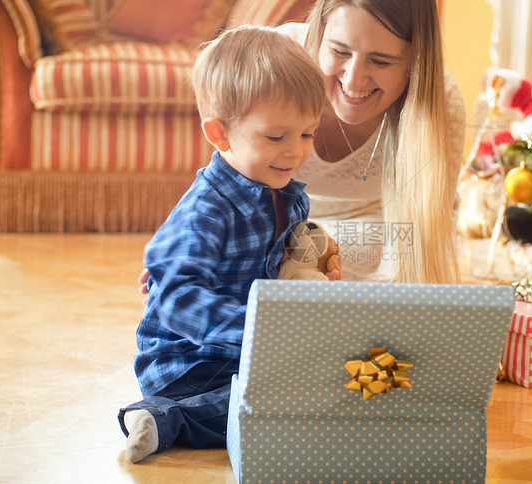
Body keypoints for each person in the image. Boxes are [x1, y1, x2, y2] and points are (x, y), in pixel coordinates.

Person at [138, 0, 466, 289]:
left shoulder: (439, 103)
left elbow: (422, 241)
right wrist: (186, 251)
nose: (353, 81)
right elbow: (226, 184)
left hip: (364, 234)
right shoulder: (278, 61)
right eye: (339, 51)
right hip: (269, 224)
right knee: (253, 257)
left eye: (380, 61)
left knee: (393, 247)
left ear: (415, 61)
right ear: (318, 32)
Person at [118, 25, 327, 464]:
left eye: (307, 134)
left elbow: (288, 256)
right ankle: (165, 418)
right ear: (220, 133)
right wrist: (262, 330)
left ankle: (201, 413)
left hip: (243, 354)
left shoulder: (289, 194)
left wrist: (314, 259)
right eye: (277, 137)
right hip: (188, 362)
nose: (296, 152)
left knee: (320, 384)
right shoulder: (207, 209)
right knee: (283, 400)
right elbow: (175, 298)